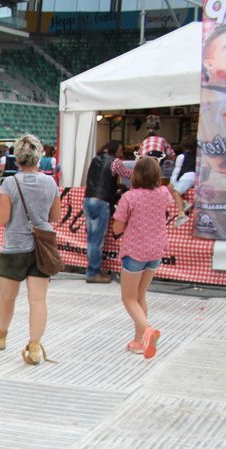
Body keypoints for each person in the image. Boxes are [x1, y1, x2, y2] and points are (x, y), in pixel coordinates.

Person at [0, 134, 61, 366]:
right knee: (38, 300)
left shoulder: (10, 183)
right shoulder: (50, 182)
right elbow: (55, 216)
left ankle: (1, 334)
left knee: (7, 297)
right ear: (39, 156)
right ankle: (34, 346)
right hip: (41, 248)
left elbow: (4, 218)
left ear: (17, 157)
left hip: (14, 247)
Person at [111, 156, 184, 360]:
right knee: (140, 296)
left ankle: (147, 331)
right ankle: (139, 341)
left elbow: (117, 227)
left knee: (128, 298)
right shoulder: (163, 193)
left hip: (135, 250)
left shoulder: (130, 197)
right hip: (156, 251)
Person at [82, 140, 133, 283]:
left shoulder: (95, 159)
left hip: (88, 199)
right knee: (96, 241)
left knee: (92, 239)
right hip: (101, 201)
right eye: (121, 150)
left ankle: (92, 270)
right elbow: (129, 175)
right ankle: (93, 272)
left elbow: (98, 179)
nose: (122, 153)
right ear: (115, 150)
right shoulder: (115, 162)